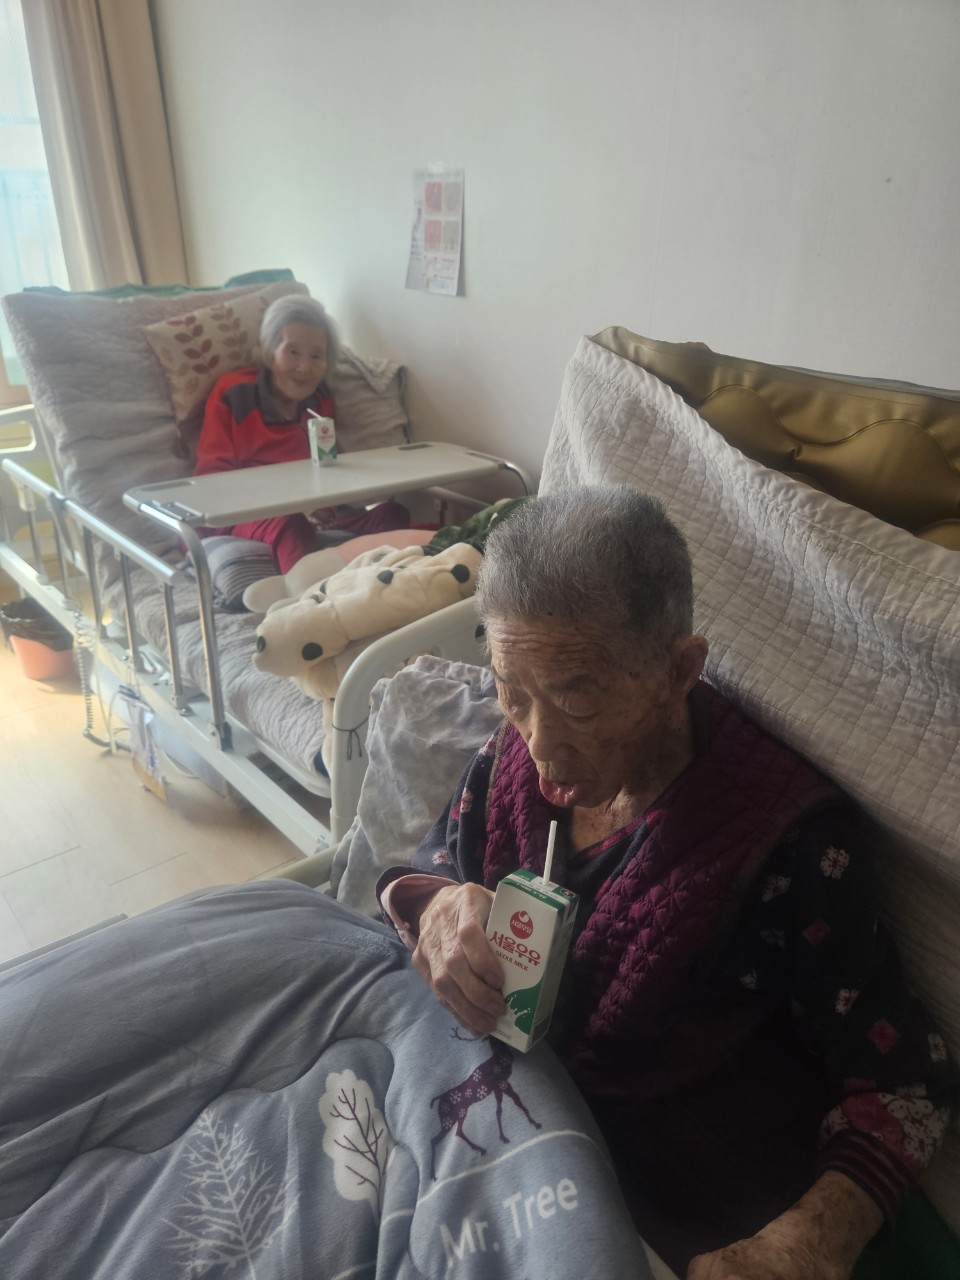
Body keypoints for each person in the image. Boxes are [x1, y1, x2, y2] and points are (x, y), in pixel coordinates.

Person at [377, 486, 958, 1280]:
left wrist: (813, 1240)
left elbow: (907, 1087)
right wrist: (439, 905)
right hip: (490, 1136)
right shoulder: (513, 755)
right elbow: (436, 860)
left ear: (679, 669)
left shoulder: (788, 843)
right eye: (513, 694)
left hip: (663, 1207)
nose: (540, 744)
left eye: (578, 699)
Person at [194, 294, 409, 572]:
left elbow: (325, 468)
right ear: (270, 352)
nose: (304, 368)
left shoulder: (320, 401)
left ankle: (378, 582)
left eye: (316, 356)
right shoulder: (234, 394)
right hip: (244, 514)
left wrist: (324, 508)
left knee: (392, 514)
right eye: (293, 351)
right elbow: (212, 479)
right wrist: (284, 504)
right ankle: (310, 593)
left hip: (306, 516)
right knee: (290, 523)